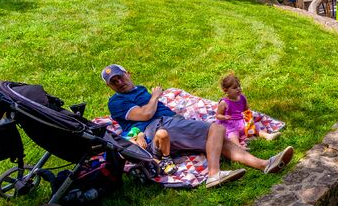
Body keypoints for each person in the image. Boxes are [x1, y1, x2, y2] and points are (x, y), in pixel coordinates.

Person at [102, 65, 293, 188]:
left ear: (128, 73)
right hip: (157, 127)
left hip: (171, 124)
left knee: (218, 139)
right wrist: (155, 96)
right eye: (113, 82)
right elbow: (145, 114)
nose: (119, 82)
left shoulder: (140, 89)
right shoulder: (116, 102)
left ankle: (264, 165)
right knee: (217, 129)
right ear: (110, 87)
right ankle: (214, 174)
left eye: (120, 77)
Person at [215, 73, 263, 144]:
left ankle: (267, 136)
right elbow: (218, 115)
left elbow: (246, 109)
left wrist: (249, 117)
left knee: (255, 126)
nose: (238, 89)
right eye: (235, 88)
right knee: (233, 134)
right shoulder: (224, 102)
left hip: (241, 121)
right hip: (230, 124)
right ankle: (238, 146)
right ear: (225, 90)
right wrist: (224, 117)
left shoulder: (242, 97)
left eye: (239, 86)